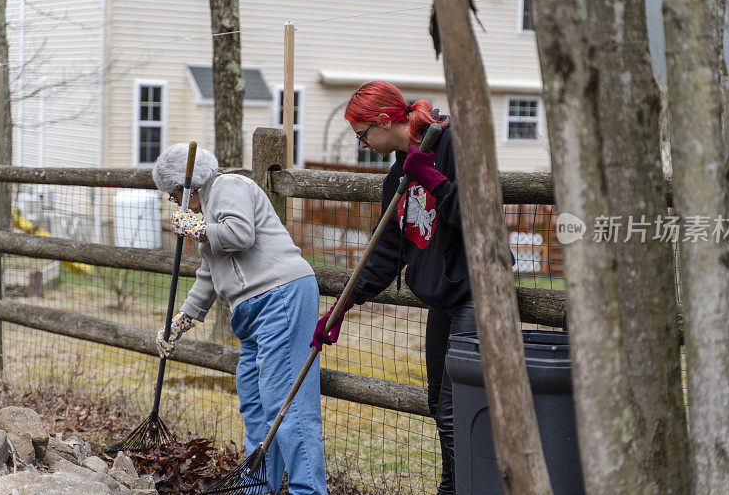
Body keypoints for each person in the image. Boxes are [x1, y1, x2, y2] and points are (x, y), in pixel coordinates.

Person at [310, 80, 512, 495]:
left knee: (460, 407)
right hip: (442, 297)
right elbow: (386, 252)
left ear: (384, 121)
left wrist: (434, 180)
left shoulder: (450, 144)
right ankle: (451, 488)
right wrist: (342, 307)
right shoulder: (399, 174)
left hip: (477, 293)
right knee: (440, 406)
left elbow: (484, 222)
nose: (362, 144)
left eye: (362, 134)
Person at [151, 143, 327, 495]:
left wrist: (199, 228)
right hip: (249, 314)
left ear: (190, 186)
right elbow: (209, 273)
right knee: (256, 405)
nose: (176, 204)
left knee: (287, 404)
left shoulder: (229, 186)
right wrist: (181, 321)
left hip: (281, 295)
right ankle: (257, 489)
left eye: (174, 196)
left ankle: (309, 491)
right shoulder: (205, 213)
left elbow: (240, 234)